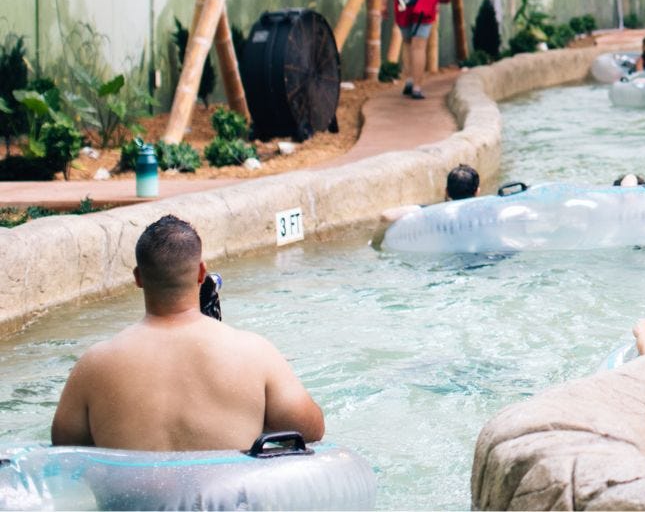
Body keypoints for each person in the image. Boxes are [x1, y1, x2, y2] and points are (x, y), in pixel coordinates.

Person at [51, 215, 324, 451]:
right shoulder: (253, 352)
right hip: (226, 493)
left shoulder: (95, 363)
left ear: (138, 278)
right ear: (202, 273)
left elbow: (65, 447)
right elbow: (311, 431)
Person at [370, 164, 479, 248]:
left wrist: (376, 245)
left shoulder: (432, 212)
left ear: (446, 191)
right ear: (477, 192)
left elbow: (386, 216)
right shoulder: (482, 215)